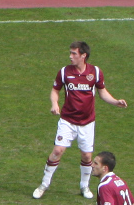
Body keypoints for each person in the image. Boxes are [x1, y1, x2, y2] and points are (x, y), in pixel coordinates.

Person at [34, 41, 127, 199]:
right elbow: (55, 90)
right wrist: (54, 104)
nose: (70, 57)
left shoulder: (95, 72)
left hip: (87, 123)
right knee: (57, 151)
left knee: (86, 156)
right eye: (70, 53)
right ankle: (44, 184)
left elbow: (102, 92)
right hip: (68, 121)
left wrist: (115, 101)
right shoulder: (64, 72)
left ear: (83, 56)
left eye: (74, 54)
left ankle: (84, 186)